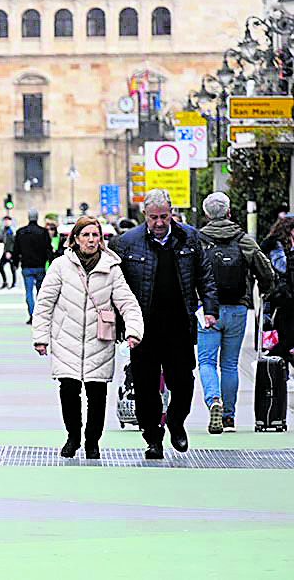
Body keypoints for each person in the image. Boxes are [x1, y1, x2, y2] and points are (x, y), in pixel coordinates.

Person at [109, 189, 218, 459]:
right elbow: (114, 285)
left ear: (172, 214)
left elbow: (205, 274)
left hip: (179, 324)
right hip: (143, 328)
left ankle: (176, 422)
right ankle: (152, 439)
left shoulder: (189, 237)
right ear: (144, 215)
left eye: (164, 216)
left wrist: (210, 309)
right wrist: (118, 321)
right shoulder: (126, 243)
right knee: (145, 387)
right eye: (154, 217)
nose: (159, 223)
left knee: (183, 382)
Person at [32, 216, 145, 458]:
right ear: (75, 239)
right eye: (86, 235)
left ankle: (92, 440)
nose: (91, 240)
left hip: (99, 339)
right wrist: (41, 337)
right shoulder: (60, 266)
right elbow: (44, 304)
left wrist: (134, 331)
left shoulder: (111, 268)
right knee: (69, 390)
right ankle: (73, 436)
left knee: (97, 393)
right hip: (66, 338)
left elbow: (128, 303)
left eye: (96, 235)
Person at [196, 192, 275, 434]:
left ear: (207, 214)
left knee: (207, 361)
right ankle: (229, 418)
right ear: (229, 212)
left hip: (207, 310)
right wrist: (267, 291)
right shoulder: (243, 240)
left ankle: (213, 401)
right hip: (238, 308)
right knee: (230, 364)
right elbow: (267, 272)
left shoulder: (198, 240)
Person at [262, 216, 294, 367]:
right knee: (287, 336)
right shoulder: (276, 245)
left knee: (286, 337)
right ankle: (271, 360)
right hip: (282, 298)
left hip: (283, 297)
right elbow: (282, 267)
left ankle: (280, 369)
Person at [13, 209, 54, 324]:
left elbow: (16, 250)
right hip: (40, 266)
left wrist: (15, 263)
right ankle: (41, 315)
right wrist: (51, 264)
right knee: (40, 292)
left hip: (26, 266)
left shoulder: (21, 232)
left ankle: (32, 314)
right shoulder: (43, 232)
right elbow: (48, 250)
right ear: (37, 217)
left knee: (29, 292)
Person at [0, 216, 16, 289]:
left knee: (12, 268)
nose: (6, 222)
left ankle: (13, 283)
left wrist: (9, 251)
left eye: (7, 221)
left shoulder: (11, 230)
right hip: (6, 251)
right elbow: (2, 240)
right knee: (1, 267)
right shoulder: (4, 230)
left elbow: (12, 242)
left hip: (11, 251)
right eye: (5, 221)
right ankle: (5, 281)